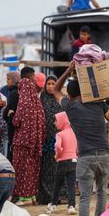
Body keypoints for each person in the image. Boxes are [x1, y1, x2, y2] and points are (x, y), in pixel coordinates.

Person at [53, 62, 109, 216]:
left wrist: (69, 70)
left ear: (69, 94)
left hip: (85, 157)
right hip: (104, 155)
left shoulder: (70, 107)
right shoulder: (99, 104)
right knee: (101, 194)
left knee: (84, 197)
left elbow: (54, 89)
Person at [12, 77, 46, 205]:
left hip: (22, 142)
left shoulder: (23, 102)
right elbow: (43, 123)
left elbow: (16, 121)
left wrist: (11, 114)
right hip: (36, 143)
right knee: (33, 170)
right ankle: (32, 196)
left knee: (22, 170)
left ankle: (23, 198)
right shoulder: (38, 104)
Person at [46, 112, 78, 215]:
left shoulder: (59, 134)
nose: (55, 123)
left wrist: (57, 155)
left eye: (56, 120)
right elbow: (77, 148)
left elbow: (58, 147)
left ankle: (53, 204)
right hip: (73, 160)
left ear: (61, 121)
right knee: (71, 185)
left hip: (62, 162)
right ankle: (71, 205)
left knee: (57, 184)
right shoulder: (74, 132)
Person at [38, 76, 62, 205]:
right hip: (46, 141)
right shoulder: (40, 101)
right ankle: (46, 196)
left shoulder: (61, 101)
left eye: (54, 83)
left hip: (59, 140)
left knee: (57, 168)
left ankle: (59, 195)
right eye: (48, 84)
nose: (51, 86)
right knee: (46, 169)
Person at [3, 66, 35, 162]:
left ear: (15, 79)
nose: (7, 81)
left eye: (9, 79)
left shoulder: (14, 93)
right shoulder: (24, 92)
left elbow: (8, 113)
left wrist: (9, 116)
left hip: (15, 131)